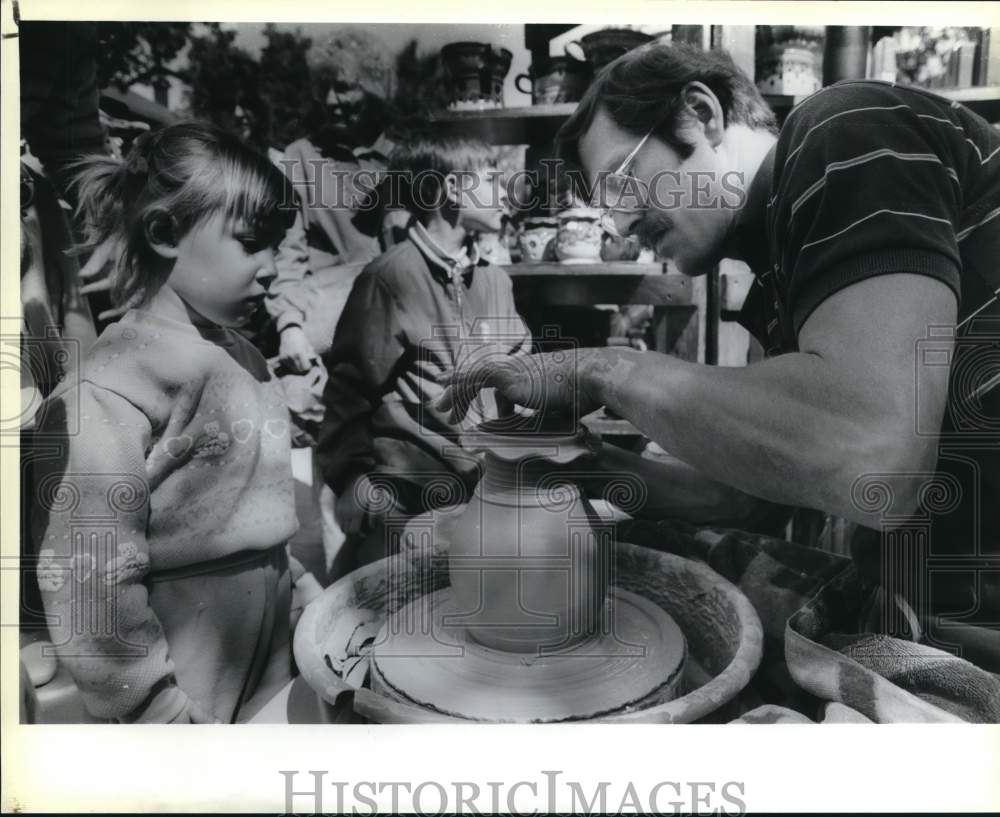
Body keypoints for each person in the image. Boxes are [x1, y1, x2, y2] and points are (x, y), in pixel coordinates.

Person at [439, 43, 999, 663]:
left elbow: (876, 461)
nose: (622, 228)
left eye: (623, 185)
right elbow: (750, 496)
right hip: (929, 604)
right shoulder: (776, 272)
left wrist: (597, 368)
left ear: (701, 115)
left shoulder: (846, 128)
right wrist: (568, 468)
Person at [31, 121, 320, 724]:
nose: (272, 267)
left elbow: (253, 520)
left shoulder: (243, 357)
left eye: (277, 244)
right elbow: (89, 574)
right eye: (251, 242)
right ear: (165, 232)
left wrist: (305, 602)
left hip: (271, 663)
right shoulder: (112, 387)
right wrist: (157, 714)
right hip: (186, 690)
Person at [315, 136, 531, 579]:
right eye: (492, 179)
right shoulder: (389, 279)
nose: (505, 192)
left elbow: (523, 366)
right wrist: (352, 477)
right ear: (452, 190)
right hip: (408, 496)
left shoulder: (495, 283)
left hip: (483, 490)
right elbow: (347, 389)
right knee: (402, 618)